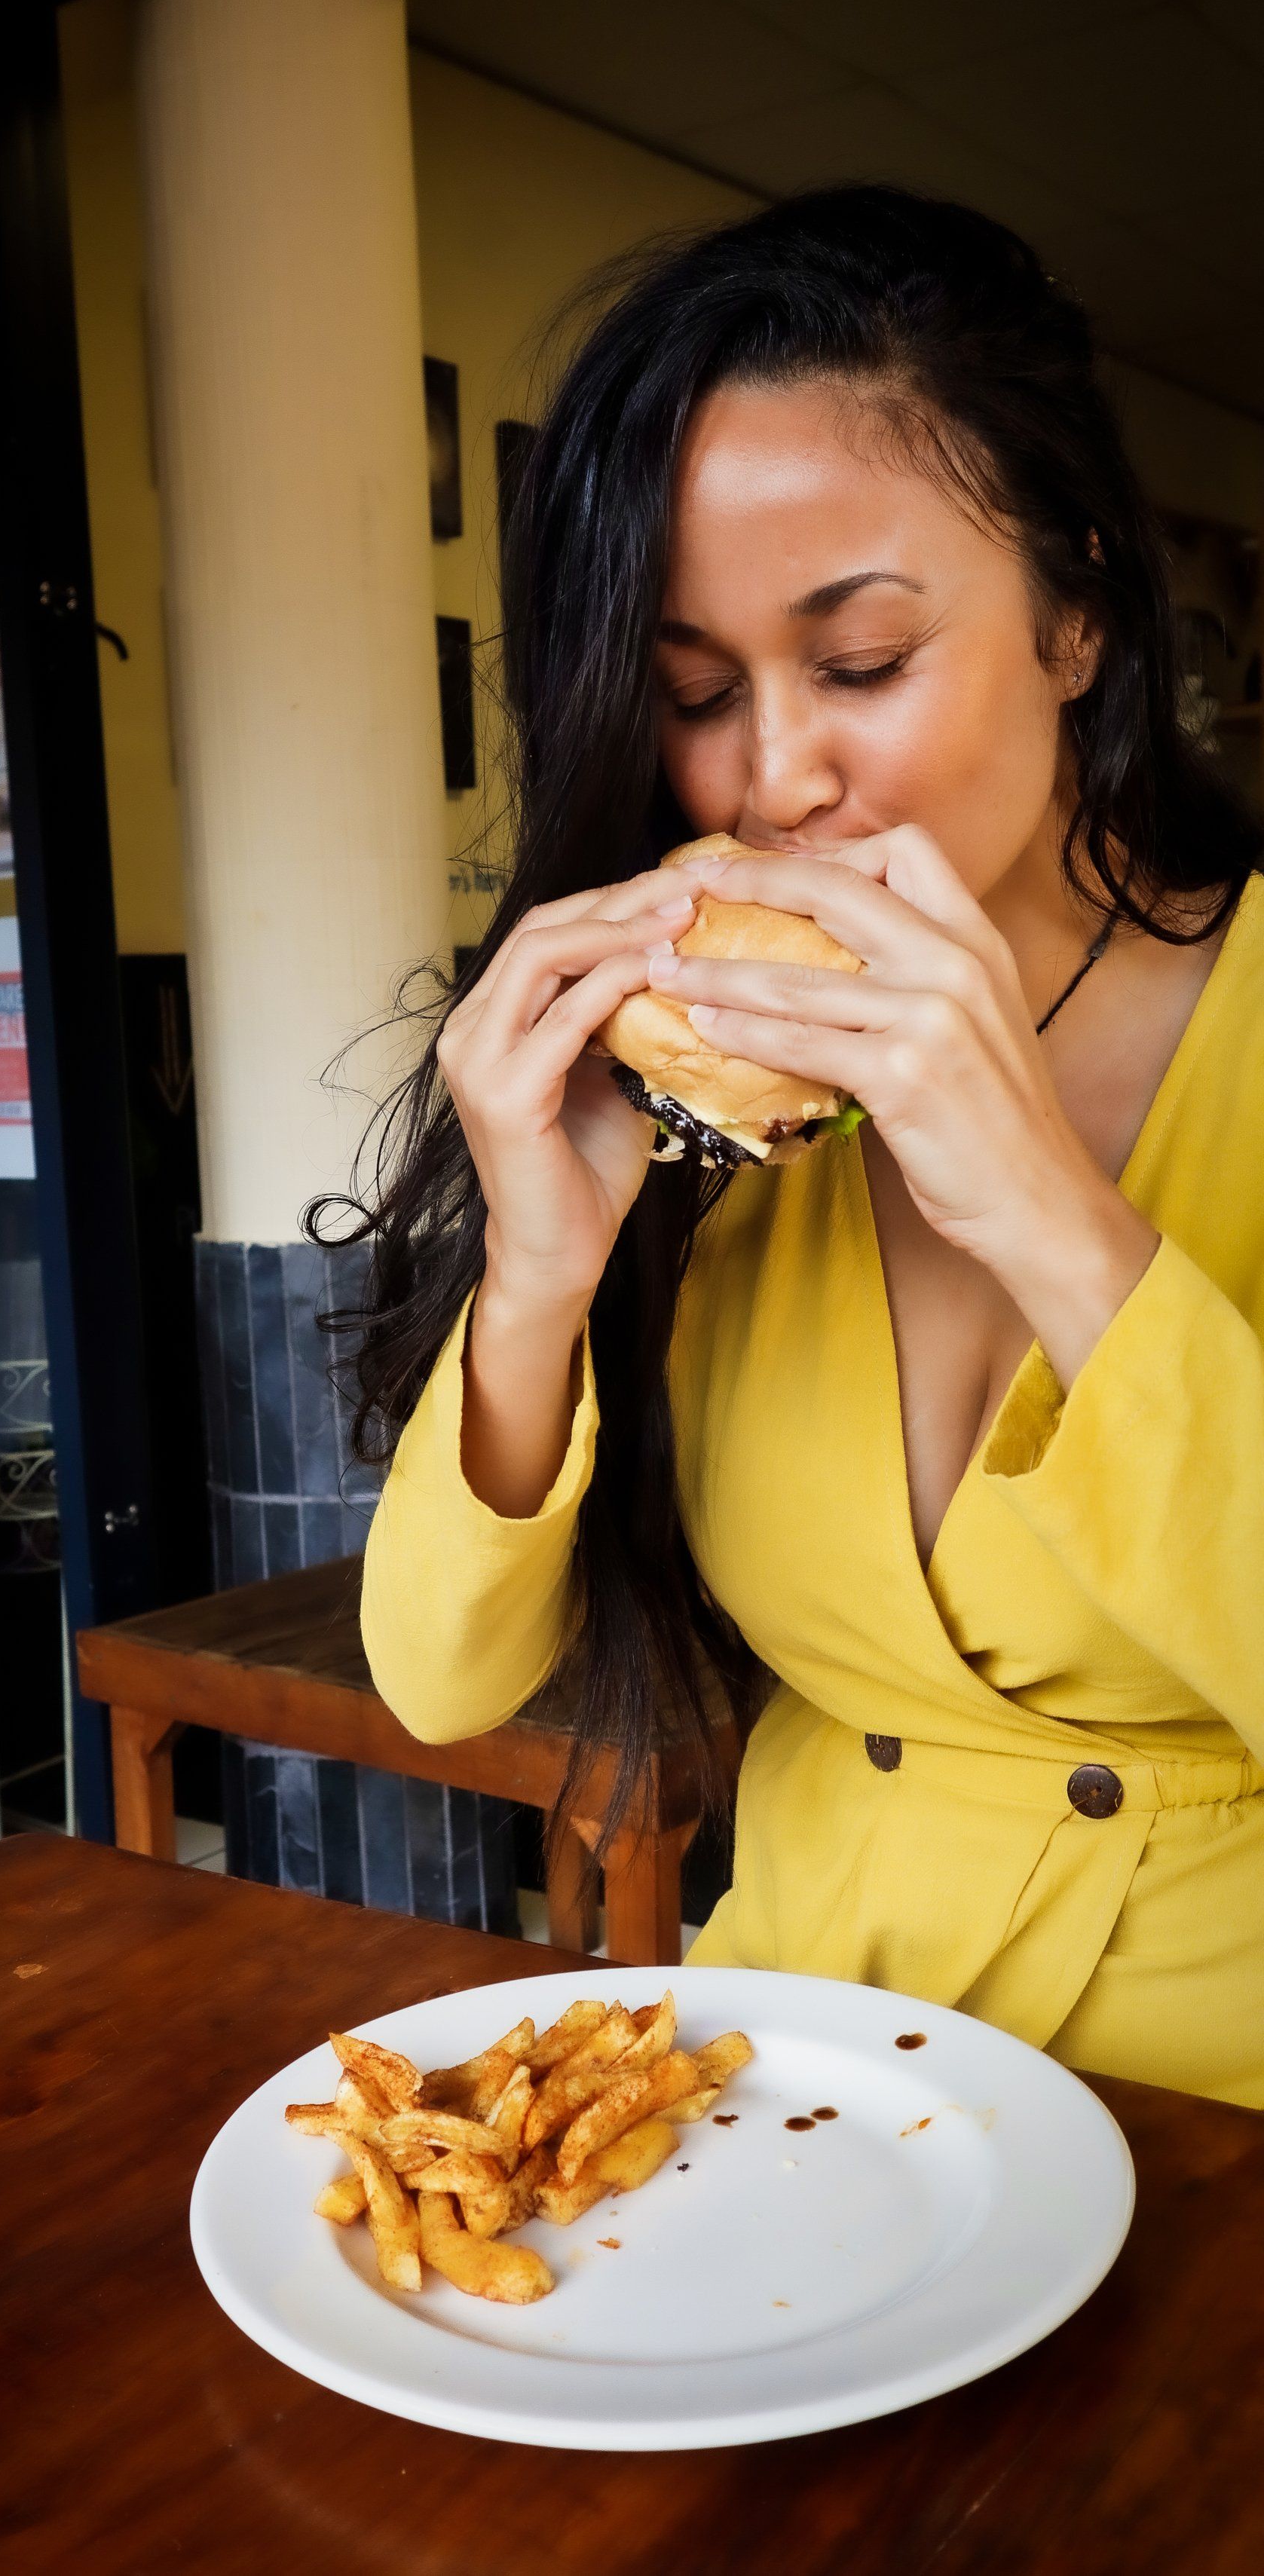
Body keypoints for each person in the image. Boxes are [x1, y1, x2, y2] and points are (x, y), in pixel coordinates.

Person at [335, 187, 1264, 2108]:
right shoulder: (717, 1107)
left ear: (1078, 614)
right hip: (802, 2092)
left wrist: (1047, 1213)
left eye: (859, 662)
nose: (775, 778)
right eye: (697, 695)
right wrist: (542, 1267)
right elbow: (440, 1684)